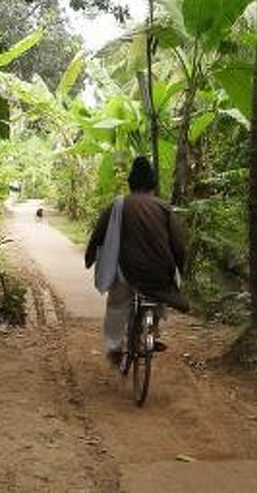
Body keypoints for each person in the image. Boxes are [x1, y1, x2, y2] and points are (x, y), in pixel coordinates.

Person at [85, 155, 189, 364]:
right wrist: (181, 268)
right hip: (159, 272)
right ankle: (152, 332)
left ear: (131, 182)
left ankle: (114, 347)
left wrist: (89, 258)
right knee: (161, 297)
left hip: (128, 270)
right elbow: (178, 244)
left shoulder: (118, 205)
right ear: (152, 184)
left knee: (116, 303)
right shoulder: (164, 208)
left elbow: (99, 234)